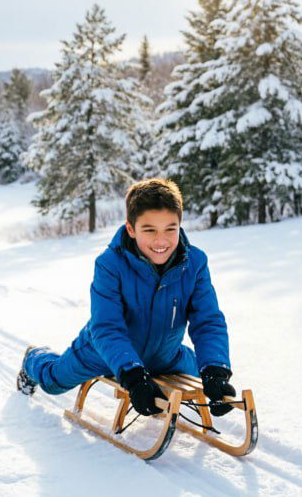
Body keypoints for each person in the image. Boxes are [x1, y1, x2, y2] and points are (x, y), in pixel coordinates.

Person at [16, 178, 236, 418]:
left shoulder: (194, 263)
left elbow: (208, 321)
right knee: (54, 381)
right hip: (104, 353)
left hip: (166, 355)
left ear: (180, 226)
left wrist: (215, 371)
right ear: (131, 229)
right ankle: (34, 359)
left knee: (209, 373)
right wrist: (133, 376)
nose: (161, 240)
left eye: (170, 229)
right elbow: (107, 327)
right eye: (149, 230)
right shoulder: (110, 265)